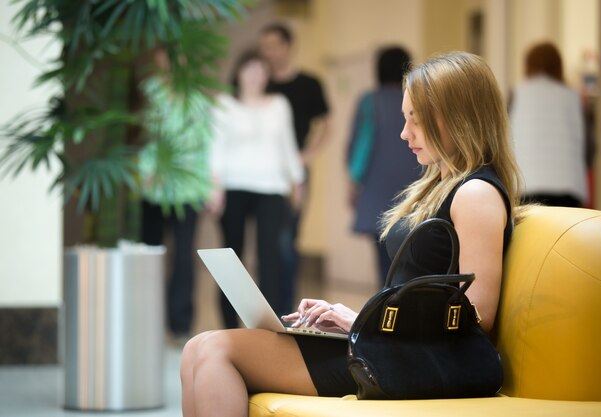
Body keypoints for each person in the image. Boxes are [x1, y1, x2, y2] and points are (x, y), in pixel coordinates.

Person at [180, 51, 522, 417]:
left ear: (456, 119)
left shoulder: (476, 194)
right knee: (195, 350)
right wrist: (359, 319)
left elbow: (477, 314)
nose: (405, 133)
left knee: (217, 350)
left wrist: (364, 321)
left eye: (415, 120)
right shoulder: (441, 184)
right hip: (398, 347)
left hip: (418, 360)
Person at [208, 49, 305, 329]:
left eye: (262, 70)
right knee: (231, 259)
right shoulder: (224, 104)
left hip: (271, 188)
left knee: (270, 258)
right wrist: (214, 188)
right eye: (250, 69)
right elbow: (215, 148)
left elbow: (288, 145)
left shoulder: (279, 104)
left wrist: (297, 180)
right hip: (233, 186)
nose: (255, 76)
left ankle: (267, 328)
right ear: (238, 72)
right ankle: (228, 326)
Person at [138, 49, 212, 343]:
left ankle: (180, 324)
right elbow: (143, 136)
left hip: (188, 188)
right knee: (150, 253)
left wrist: (207, 187)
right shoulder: (149, 92)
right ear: (157, 58)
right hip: (153, 186)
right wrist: (145, 168)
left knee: (184, 256)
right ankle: (146, 319)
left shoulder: (199, 97)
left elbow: (206, 142)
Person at [259, 23, 331, 316]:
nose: (269, 52)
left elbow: (326, 124)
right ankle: (259, 308)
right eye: (264, 46)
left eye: (274, 44)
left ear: (289, 46)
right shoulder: (258, 82)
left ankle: (284, 310)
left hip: (292, 174)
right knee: (262, 243)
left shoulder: (308, 84)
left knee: (286, 240)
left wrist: (306, 157)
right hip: (256, 174)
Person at [346, 46, 422, 286]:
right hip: (414, 184)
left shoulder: (370, 101)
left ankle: (387, 302)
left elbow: (362, 145)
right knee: (411, 251)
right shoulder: (417, 98)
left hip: (378, 187)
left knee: (383, 254)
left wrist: (353, 181)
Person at [509, 42, 587, 207]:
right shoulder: (573, 97)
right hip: (568, 188)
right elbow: (589, 148)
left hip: (526, 186)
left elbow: (505, 141)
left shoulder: (516, 94)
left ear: (527, 66)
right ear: (559, 66)